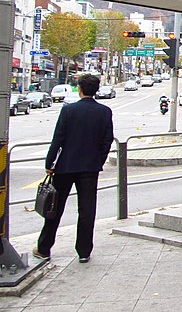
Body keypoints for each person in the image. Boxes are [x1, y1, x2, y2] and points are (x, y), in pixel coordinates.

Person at [33, 74, 114, 263]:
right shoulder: (104, 111)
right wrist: (98, 160)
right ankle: (84, 251)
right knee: (87, 209)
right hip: (90, 168)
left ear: (80, 89)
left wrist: (49, 163)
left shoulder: (69, 110)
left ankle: (44, 247)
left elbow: (58, 139)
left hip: (65, 166)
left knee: (55, 208)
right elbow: (107, 140)